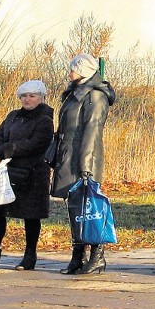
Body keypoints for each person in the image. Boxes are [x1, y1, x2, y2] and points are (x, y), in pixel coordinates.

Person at [0, 80, 54, 270]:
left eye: (32, 96)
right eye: (24, 96)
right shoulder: (13, 116)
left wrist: (12, 148)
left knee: (31, 216)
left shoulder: (44, 119)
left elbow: (38, 143)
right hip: (8, 171)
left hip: (33, 173)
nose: (27, 99)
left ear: (41, 97)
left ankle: (29, 255)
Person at [51, 53, 116, 275]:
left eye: (74, 67)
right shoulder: (74, 93)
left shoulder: (95, 97)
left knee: (90, 209)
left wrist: (86, 167)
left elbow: (92, 132)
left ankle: (98, 256)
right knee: (74, 208)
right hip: (68, 156)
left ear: (84, 70)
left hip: (83, 159)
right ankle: (77, 256)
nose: (70, 71)